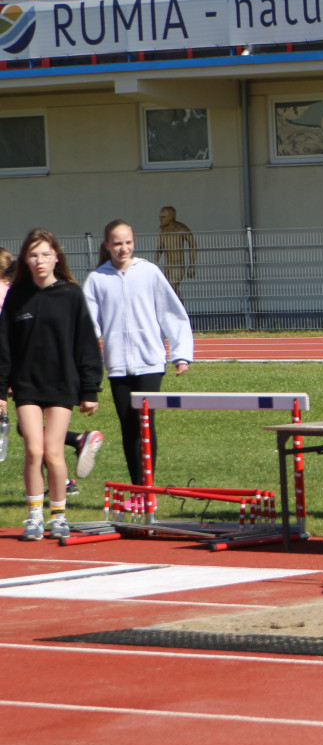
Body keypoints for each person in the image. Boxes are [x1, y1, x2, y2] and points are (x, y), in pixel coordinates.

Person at [0, 230, 104, 539]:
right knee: (34, 450)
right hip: (27, 385)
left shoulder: (71, 294)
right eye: (33, 255)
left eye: (45, 254)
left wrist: (90, 390)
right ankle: (34, 516)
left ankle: (58, 515)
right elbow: (4, 346)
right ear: (25, 260)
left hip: (62, 384)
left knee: (54, 453)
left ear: (56, 257)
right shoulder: (16, 296)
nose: (40, 261)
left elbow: (86, 343)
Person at [83, 219, 193, 487]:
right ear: (107, 246)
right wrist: (82, 360)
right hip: (118, 366)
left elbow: (172, 313)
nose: (123, 249)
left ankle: (148, 485)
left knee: (145, 424)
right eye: (117, 244)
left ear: (134, 242)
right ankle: (136, 485)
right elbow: (87, 324)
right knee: (128, 427)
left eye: (128, 243)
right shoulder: (97, 279)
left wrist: (181, 354)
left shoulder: (149, 272)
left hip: (151, 364)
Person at [156, 205, 196, 296]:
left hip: (178, 264)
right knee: (169, 290)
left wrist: (192, 265)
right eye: (160, 217)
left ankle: (178, 308)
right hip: (168, 265)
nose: (161, 219)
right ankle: (178, 308)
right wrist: (156, 257)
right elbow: (159, 247)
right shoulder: (161, 230)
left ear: (170, 217)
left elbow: (192, 244)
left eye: (163, 217)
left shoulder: (180, 229)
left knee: (172, 287)